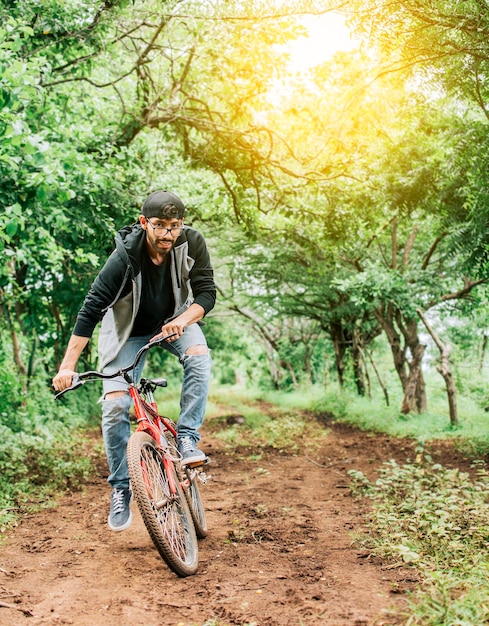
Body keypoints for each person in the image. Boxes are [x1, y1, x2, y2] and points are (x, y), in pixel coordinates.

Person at [52, 190, 216, 532]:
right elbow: (91, 309)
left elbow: (206, 294)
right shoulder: (124, 257)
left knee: (199, 357)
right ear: (144, 223)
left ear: (182, 225)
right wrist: (67, 366)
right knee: (114, 406)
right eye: (159, 225)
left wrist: (184, 321)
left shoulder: (192, 243)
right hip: (128, 334)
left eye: (174, 226)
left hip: (175, 322)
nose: (167, 234)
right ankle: (121, 487)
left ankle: (187, 438)